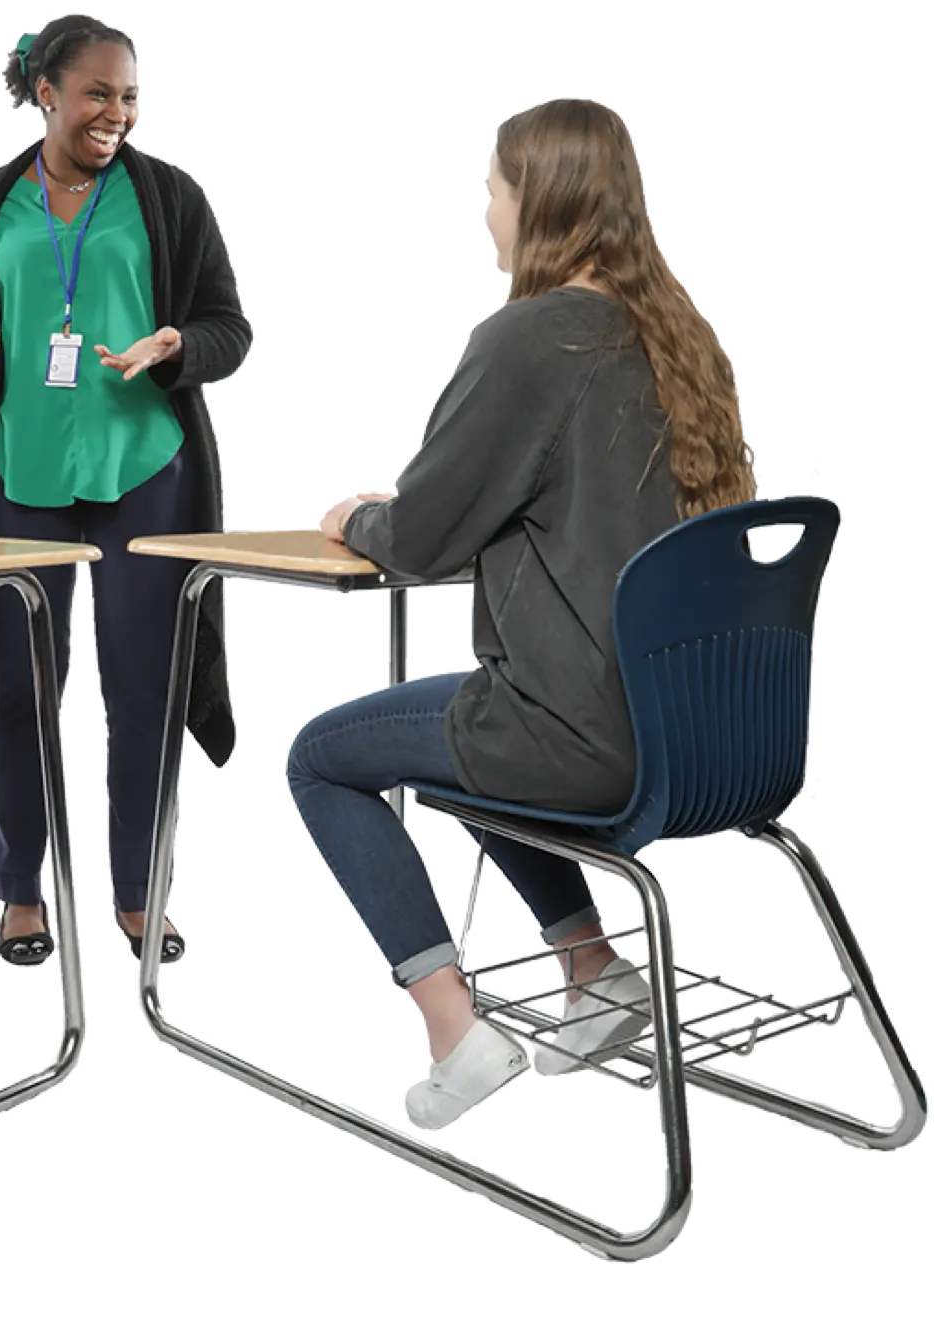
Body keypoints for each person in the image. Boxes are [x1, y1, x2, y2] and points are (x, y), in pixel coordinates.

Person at [288, 98, 757, 1133]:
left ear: (537, 202)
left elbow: (421, 541)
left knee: (323, 754)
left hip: (586, 741)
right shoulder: (686, 335)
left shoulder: (534, 335)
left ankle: (456, 1033)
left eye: (494, 188)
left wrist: (357, 514)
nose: (485, 210)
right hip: (708, 739)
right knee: (454, 723)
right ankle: (596, 967)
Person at [0, 15, 251, 969]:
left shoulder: (169, 198)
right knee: (24, 690)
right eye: (98, 94)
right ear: (47, 95)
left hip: (144, 474)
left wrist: (178, 347)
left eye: (130, 96)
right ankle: (22, 894)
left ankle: (143, 898)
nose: (116, 114)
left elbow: (228, 328)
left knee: (143, 691)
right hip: (21, 478)